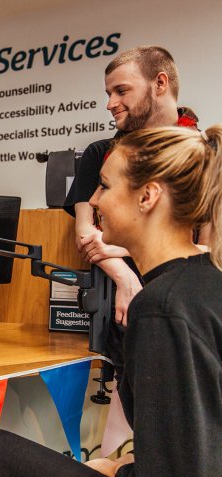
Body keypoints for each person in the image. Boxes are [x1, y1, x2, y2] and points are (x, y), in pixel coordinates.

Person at [0, 124, 222, 477]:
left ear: (148, 196)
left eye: (104, 185)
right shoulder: (204, 283)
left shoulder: (162, 308)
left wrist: (111, 470)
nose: (95, 200)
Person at [64, 45, 200, 376]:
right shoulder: (100, 154)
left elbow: (201, 242)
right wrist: (125, 278)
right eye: (108, 92)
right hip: (123, 311)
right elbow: (87, 231)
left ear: (160, 83)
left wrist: (121, 248)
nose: (110, 103)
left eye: (121, 90)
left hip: (184, 306)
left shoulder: (202, 154)